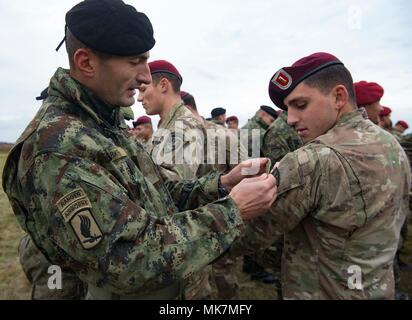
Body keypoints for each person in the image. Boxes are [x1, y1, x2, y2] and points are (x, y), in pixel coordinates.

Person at [2, 0, 277, 300]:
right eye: (135, 62)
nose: (146, 76)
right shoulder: (57, 149)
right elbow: (129, 260)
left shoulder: (104, 125)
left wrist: (222, 185)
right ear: (86, 63)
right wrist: (233, 211)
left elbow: (153, 194)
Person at [261, 52, 410, 299]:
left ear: (338, 97)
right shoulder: (392, 145)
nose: (290, 119)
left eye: (300, 105)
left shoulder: (311, 160)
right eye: (287, 108)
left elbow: (250, 232)